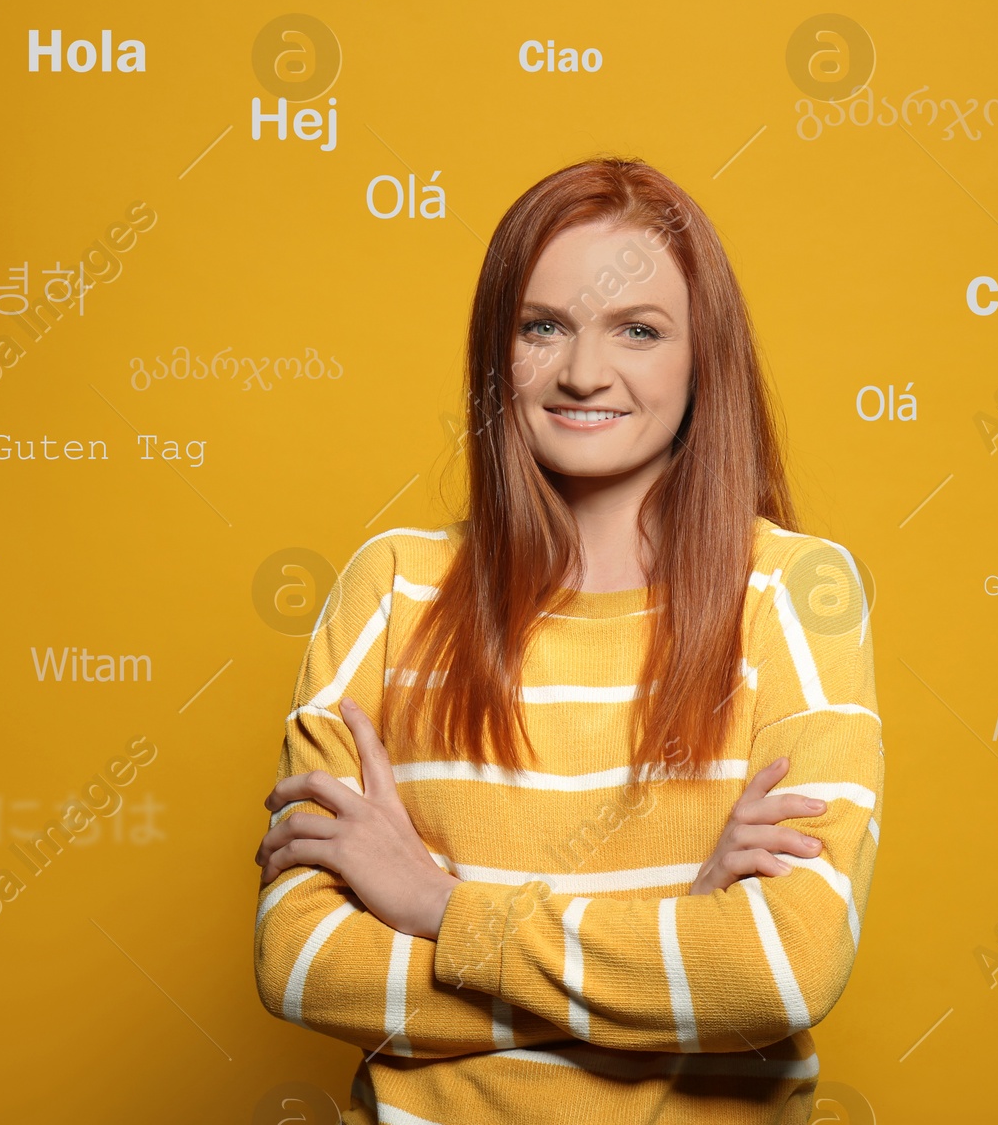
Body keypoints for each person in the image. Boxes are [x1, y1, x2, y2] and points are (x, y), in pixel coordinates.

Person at [253, 158, 883, 1123]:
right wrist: (672, 951)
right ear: (495, 351)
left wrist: (436, 909)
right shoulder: (389, 589)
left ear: (701, 356)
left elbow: (781, 972)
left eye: (638, 330)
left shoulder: (797, 591)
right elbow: (301, 965)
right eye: (543, 327)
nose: (585, 371)